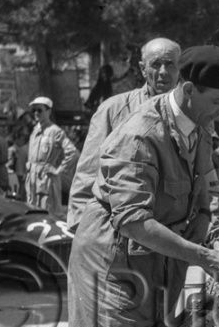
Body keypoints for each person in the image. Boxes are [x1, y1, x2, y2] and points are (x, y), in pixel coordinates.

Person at [68, 45, 219, 327]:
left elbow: (207, 192)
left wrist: (214, 238)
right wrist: (204, 257)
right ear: (189, 90)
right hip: (114, 265)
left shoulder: (199, 125)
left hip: (159, 261)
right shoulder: (141, 135)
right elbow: (133, 222)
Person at [67, 37, 181, 230]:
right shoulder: (113, 110)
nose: (163, 71)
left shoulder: (190, 115)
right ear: (143, 69)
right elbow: (87, 175)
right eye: (156, 64)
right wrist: (81, 228)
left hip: (171, 234)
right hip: (119, 231)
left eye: (170, 64)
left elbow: (204, 180)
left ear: (180, 68)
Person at [25, 97, 78, 218]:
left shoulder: (55, 131)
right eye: (34, 110)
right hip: (32, 179)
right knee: (33, 212)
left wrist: (59, 170)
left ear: (48, 111)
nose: (36, 113)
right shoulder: (35, 130)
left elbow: (73, 152)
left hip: (46, 179)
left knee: (48, 212)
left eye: (39, 110)